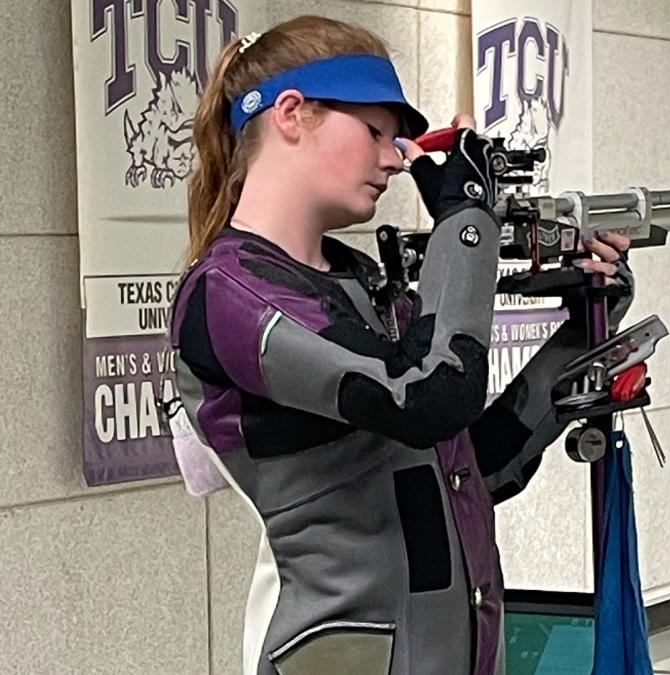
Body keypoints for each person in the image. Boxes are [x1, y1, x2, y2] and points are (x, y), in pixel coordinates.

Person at [168, 15, 632, 675]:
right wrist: (468, 218)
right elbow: (428, 396)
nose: (394, 156)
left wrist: (593, 318)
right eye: (376, 130)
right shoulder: (232, 295)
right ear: (293, 115)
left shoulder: (357, 284)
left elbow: (473, 464)